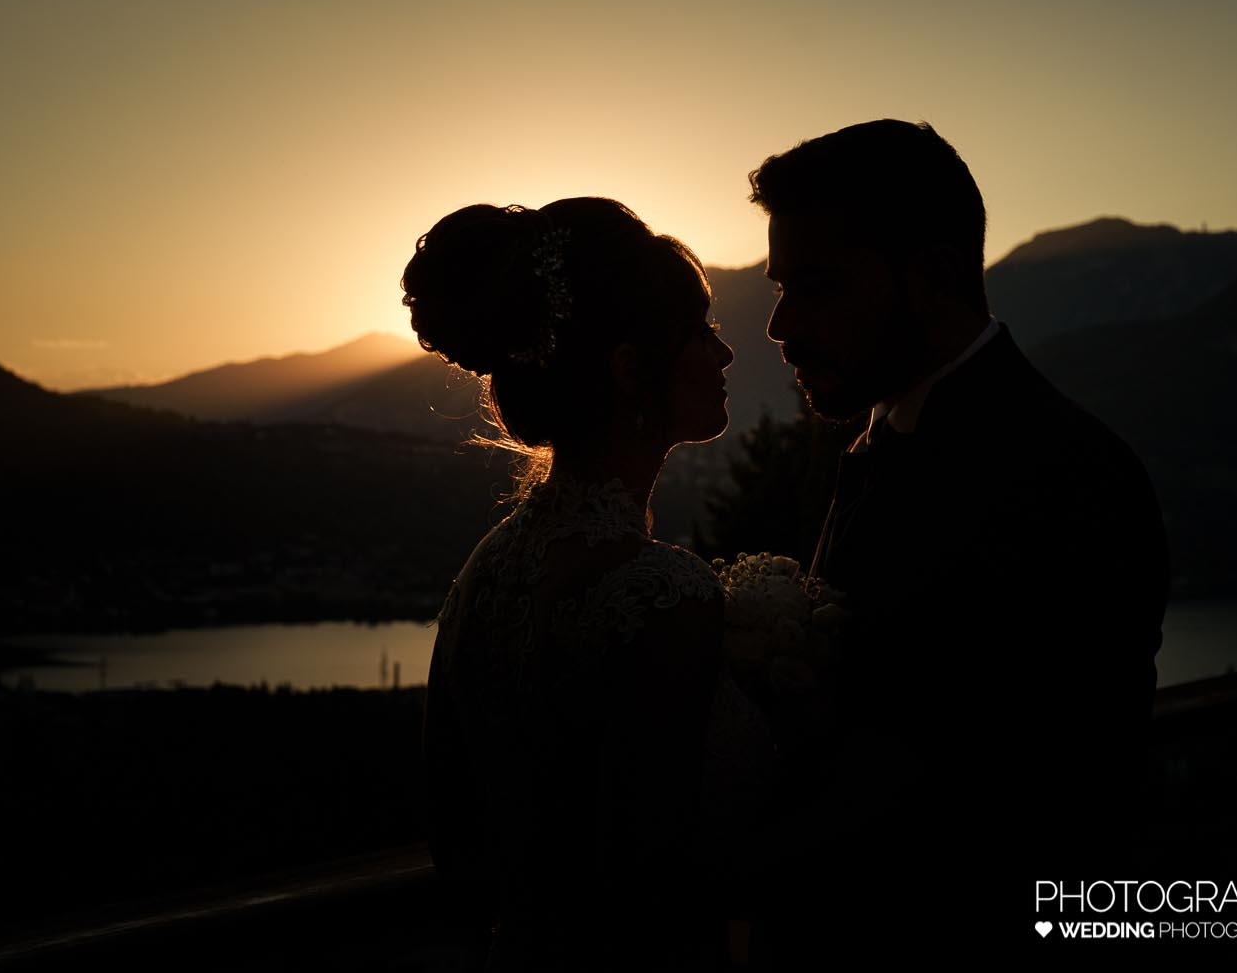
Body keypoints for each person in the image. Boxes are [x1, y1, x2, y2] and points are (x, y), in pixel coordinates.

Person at [747, 120, 1169, 951]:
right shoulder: (873, 442)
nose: (780, 326)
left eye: (818, 286)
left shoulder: (1069, 474)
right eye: (779, 287)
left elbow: (1019, 791)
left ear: (933, 274)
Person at [403, 197, 769, 972]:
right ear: (631, 368)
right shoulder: (662, 593)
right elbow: (659, 885)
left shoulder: (485, 570)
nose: (725, 354)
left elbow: (455, 834)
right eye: (700, 331)